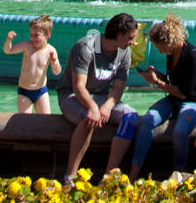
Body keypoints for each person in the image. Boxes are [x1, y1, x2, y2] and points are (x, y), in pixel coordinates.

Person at [57, 13, 140, 185]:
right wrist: (93, 108)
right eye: (130, 38)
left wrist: (108, 105)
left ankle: (108, 177)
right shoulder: (86, 47)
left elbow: (118, 89)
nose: (133, 42)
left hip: (102, 97)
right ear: (118, 34)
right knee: (87, 118)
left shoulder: (124, 54)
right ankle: (69, 177)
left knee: (131, 117)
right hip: (71, 95)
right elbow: (78, 87)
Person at [130, 15, 196, 178]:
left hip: (195, 101)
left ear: (170, 42)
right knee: (148, 119)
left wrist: (158, 83)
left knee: (180, 130)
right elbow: (173, 81)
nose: (160, 51)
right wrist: (158, 75)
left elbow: (184, 92)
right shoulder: (171, 53)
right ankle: (134, 170)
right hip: (175, 99)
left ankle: (179, 174)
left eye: (161, 47)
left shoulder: (194, 55)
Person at [3, 15, 61, 114]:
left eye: (36, 35)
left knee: (45, 119)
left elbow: (57, 72)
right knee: (26, 120)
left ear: (47, 35)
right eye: (31, 34)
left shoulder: (50, 50)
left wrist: (54, 62)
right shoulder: (27, 46)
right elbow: (8, 51)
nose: (32, 38)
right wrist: (8, 41)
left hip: (41, 91)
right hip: (24, 91)